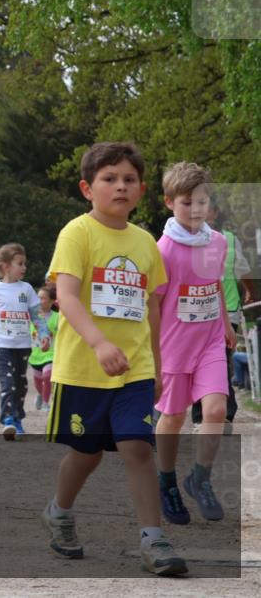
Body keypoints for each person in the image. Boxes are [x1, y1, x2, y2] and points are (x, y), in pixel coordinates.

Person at [41, 141, 187, 576]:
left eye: (128, 180)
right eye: (109, 179)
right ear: (88, 188)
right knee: (86, 454)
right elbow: (65, 297)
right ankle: (59, 513)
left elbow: (154, 308)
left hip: (136, 370)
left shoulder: (146, 244)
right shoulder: (77, 233)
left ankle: (154, 540)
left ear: (141, 190)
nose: (119, 186)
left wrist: (157, 366)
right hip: (84, 368)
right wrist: (100, 344)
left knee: (137, 448)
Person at [152, 163, 237, 525]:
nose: (196, 210)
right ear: (170, 203)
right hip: (173, 346)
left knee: (216, 410)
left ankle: (199, 478)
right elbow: (154, 303)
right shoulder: (162, 250)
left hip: (209, 341)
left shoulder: (217, 241)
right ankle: (167, 481)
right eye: (187, 203)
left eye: (202, 202)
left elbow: (214, 283)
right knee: (172, 417)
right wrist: (153, 349)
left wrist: (225, 323)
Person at [190, 203, 256, 427]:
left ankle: (219, 413)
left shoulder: (227, 239)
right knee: (205, 362)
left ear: (215, 214)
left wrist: (248, 290)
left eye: (206, 208)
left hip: (227, 310)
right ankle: (211, 413)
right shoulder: (188, 237)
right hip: (198, 311)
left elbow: (243, 269)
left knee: (220, 361)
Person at [0, 243, 49, 439]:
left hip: (23, 346)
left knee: (21, 384)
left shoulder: (27, 289)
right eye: (20, 263)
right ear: (6, 266)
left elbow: (37, 316)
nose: (24, 267)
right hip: (1, 345)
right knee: (7, 383)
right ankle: (8, 420)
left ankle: (18, 418)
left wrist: (44, 336)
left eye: (25, 263)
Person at [28, 286, 59, 412]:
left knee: (47, 376)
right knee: (37, 381)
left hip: (51, 354)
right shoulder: (31, 316)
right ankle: (41, 395)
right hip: (35, 354)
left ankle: (46, 403)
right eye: (37, 297)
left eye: (43, 298)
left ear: (52, 301)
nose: (39, 300)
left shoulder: (58, 317)